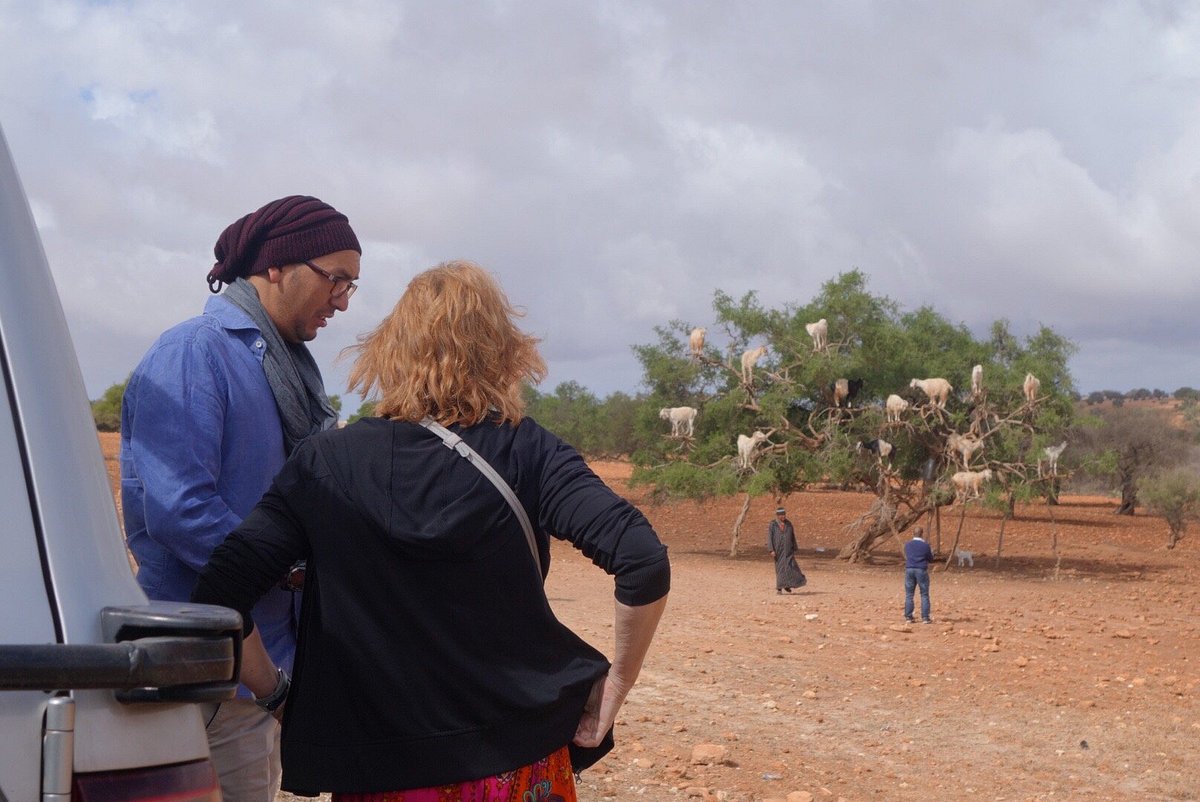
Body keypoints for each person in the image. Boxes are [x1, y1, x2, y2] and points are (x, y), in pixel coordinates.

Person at [191, 260, 671, 800]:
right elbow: (642, 558)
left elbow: (221, 594)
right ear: (502, 350)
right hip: (516, 763)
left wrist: (276, 695)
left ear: (391, 349)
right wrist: (619, 685)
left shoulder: (327, 462)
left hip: (383, 773)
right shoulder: (526, 449)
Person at [120, 195, 362, 802]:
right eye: (336, 280)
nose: (342, 301)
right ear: (276, 266)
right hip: (203, 674)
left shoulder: (288, 368)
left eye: (351, 287)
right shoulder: (195, 353)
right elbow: (179, 512)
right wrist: (292, 566)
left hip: (260, 668)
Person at [767, 507, 807, 594]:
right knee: (780, 569)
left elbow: (792, 536)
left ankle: (787, 585)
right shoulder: (773, 524)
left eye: (784, 515)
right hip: (778, 551)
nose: (783, 517)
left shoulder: (789, 524)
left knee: (790, 568)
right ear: (777, 516)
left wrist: (794, 547)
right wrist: (771, 550)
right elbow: (769, 538)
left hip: (788, 550)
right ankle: (779, 588)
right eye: (781, 515)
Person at [903, 526, 935, 624]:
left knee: (909, 594)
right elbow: (930, 559)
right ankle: (925, 617)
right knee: (924, 594)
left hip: (909, 569)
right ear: (922, 533)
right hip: (921, 569)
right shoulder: (925, 545)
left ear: (913, 533)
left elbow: (907, 555)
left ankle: (908, 616)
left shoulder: (907, 545)